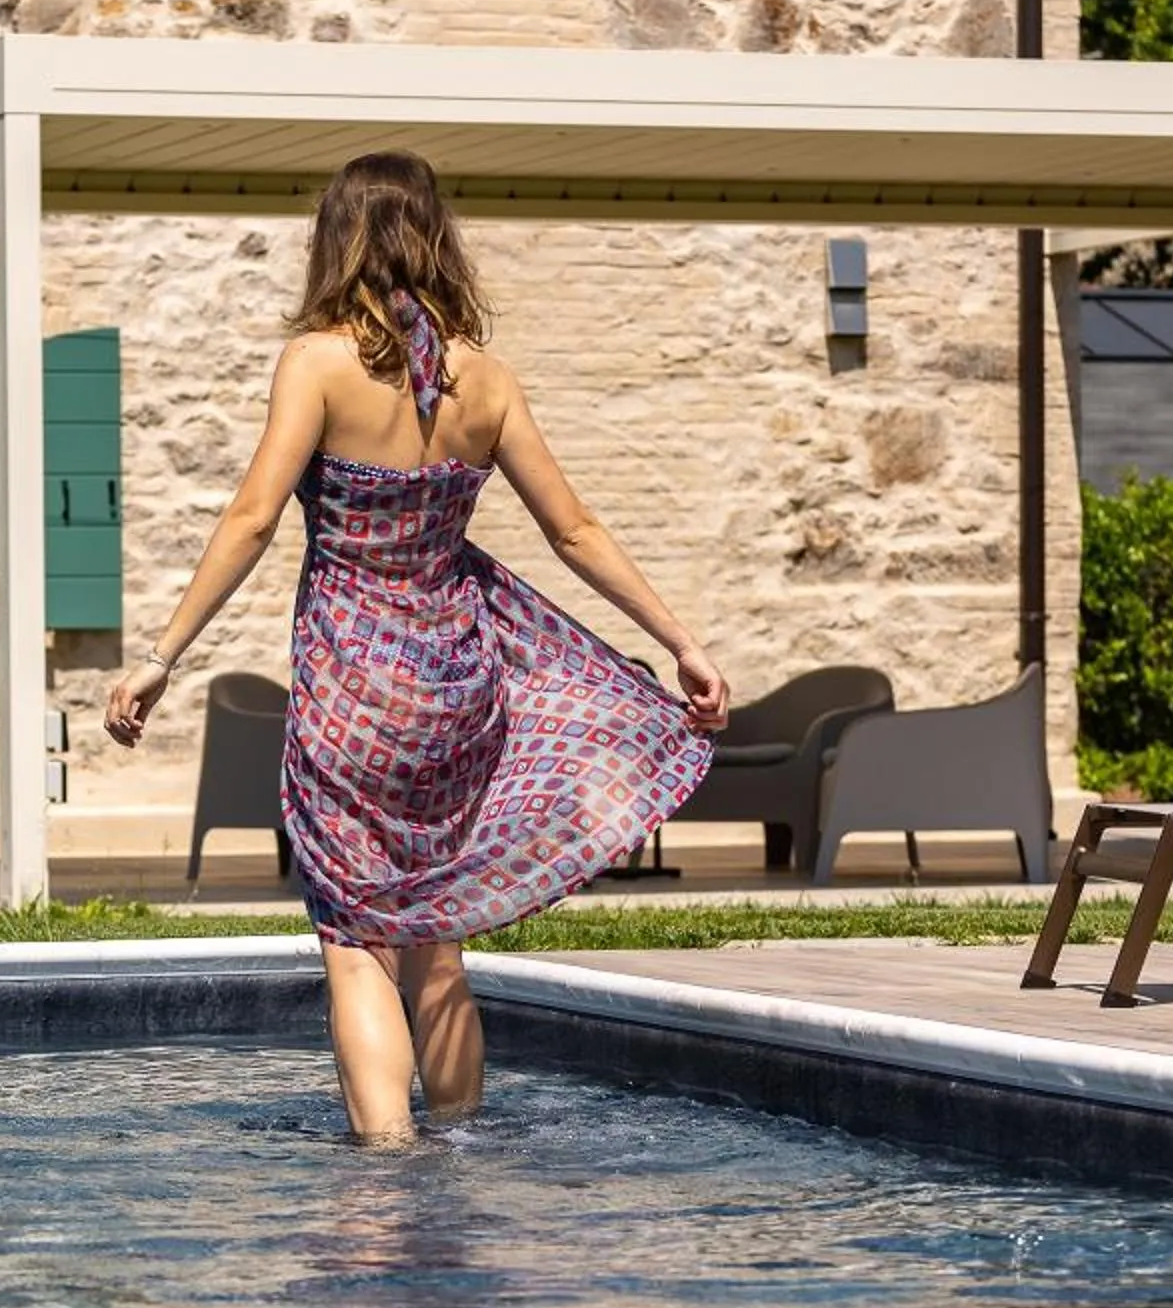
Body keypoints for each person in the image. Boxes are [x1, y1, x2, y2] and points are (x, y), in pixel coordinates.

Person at [102, 151, 729, 1142]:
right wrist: (681, 641)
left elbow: (255, 516)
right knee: (435, 938)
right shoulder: (486, 380)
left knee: (358, 941)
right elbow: (574, 530)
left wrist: (162, 655)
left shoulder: (317, 362)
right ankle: (465, 1149)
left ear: (337, 240)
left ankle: (384, 1173)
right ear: (438, 239)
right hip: (457, 684)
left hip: (353, 685)